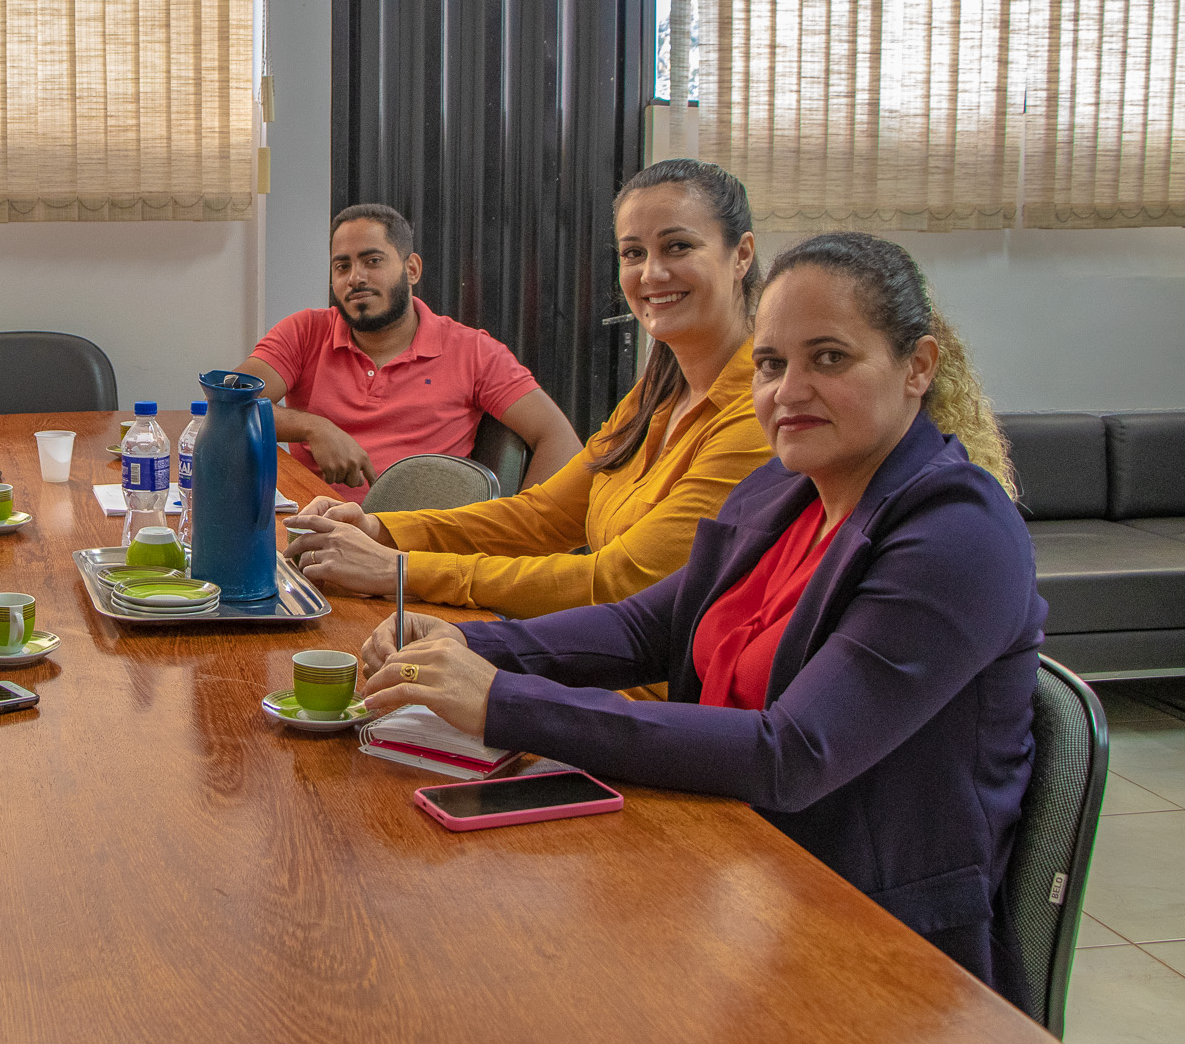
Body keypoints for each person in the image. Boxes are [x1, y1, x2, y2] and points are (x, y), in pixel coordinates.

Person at [357, 232, 1038, 1000]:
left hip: (870, 947)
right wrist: (462, 641)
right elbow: (644, 628)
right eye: (774, 363)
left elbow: (794, 751)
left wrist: (499, 701)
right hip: (726, 870)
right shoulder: (782, 493)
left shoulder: (959, 532)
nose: (789, 390)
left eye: (830, 358)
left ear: (918, 366)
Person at [285, 160, 773, 617]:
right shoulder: (656, 395)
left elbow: (618, 583)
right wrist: (380, 529)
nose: (651, 273)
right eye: (633, 253)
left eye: (679, 247)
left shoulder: (759, 414)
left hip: (651, 694)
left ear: (741, 255)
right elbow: (543, 516)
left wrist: (398, 570)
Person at [237, 203, 581, 500]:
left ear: (411, 269)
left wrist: (515, 536)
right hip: (312, 537)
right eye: (342, 266)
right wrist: (313, 428)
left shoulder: (473, 351)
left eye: (372, 261)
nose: (355, 278)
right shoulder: (305, 332)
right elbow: (229, 405)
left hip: (416, 550)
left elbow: (559, 440)